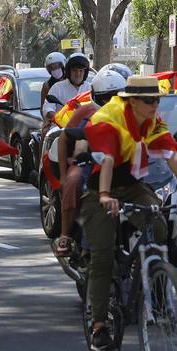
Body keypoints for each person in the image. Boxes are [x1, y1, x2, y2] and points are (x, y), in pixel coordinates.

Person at [80, 75, 177, 351]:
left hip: (132, 186)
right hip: (101, 188)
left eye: (157, 100)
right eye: (149, 101)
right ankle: (99, 326)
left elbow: (174, 156)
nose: (155, 105)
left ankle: (153, 279)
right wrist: (103, 196)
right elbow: (108, 159)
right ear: (131, 101)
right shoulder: (108, 117)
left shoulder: (152, 121)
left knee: (159, 225)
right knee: (101, 257)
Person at [52, 69, 126, 257]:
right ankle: (65, 235)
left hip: (121, 165)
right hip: (87, 164)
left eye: (116, 96)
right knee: (74, 181)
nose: (111, 102)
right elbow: (64, 138)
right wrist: (63, 173)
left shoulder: (130, 112)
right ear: (95, 96)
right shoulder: (86, 111)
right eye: (106, 98)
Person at [43, 52, 92, 122]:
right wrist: (57, 117)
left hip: (85, 128)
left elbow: (98, 110)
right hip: (61, 127)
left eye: (81, 71)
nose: (78, 74)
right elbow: (47, 108)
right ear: (69, 72)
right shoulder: (57, 87)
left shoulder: (91, 89)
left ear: (85, 72)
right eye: (74, 71)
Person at [39, 52, 68, 125]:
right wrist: (47, 120)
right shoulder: (47, 85)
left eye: (57, 67)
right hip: (55, 120)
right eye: (52, 68)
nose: (55, 70)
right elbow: (44, 107)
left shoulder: (71, 81)